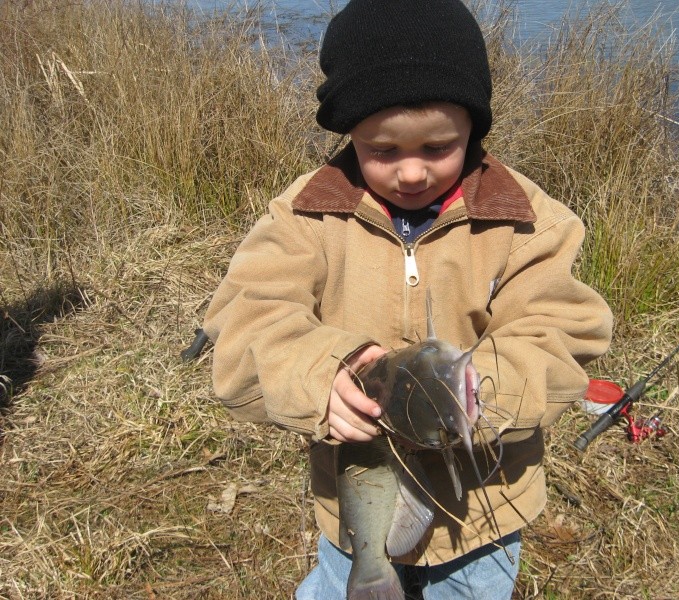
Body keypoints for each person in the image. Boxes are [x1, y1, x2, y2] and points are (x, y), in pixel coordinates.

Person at [202, 0, 613, 598]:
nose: (413, 172)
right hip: (357, 511)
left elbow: (566, 336)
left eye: (438, 146)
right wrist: (322, 376)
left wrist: (476, 393)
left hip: (479, 515)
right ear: (351, 134)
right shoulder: (304, 217)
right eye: (384, 150)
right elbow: (245, 326)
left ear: (473, 128)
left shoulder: (529, 223)